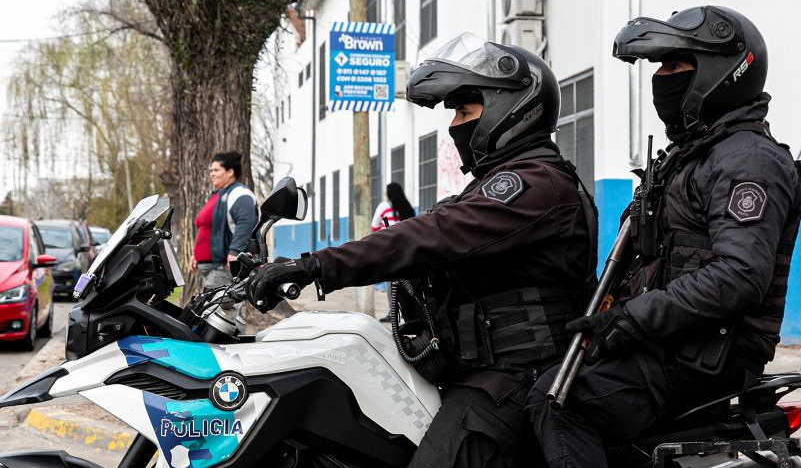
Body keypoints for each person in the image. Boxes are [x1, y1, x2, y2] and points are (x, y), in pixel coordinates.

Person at [246, 33, 597, 468]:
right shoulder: (500, 183)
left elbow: (431, 236)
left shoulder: (536, 183)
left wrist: (316, 266)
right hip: (475, 370)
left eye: (465, 111)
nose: (455, 125)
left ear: (511, 108)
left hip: (518, 379)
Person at [525, 6, 801, 467]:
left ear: (721, 73)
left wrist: (633, 319)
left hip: (712, 352)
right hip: (677, 340)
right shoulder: (692, 155)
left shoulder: (746, 160)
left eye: (675, 66)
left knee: (560, 404)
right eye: (659, 66)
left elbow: (739, 275)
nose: (661, 77)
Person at [190, 151, 258, 332]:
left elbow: (245, 223)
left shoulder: (239, 194)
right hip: (211, 267)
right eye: (210, 170)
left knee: (223, 313)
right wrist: (195, 255)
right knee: (216, 313)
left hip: (223, 267)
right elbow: (208, 228)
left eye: (216, 169)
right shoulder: (219, 195)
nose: (212, 173)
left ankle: (238, 350)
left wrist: (235, 252)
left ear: (230, 172)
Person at [371, 182, 416, 322]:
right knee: (409, 282)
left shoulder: (384, 206)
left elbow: (374, 226)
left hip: (390, 249)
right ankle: (412, 313)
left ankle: (393, 313)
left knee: (392, 283)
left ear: (389, 193)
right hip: (407, 248)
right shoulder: (409, 208)